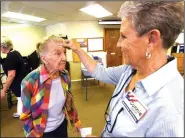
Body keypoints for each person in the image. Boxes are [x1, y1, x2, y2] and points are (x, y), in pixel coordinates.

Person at [63, 1, 184, 137]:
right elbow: (99, 71)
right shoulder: (130, 70)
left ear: (151, 39)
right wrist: (77, 49)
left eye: (123, 36)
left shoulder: (172, 108)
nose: (118, 44)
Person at [20, 35, 81, 137]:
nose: (64, 58)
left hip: (61, 126)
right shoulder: (29, 81)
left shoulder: (65, 75)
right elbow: (25, 116)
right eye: (58, 53)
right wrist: (32, 134)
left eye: (64, 53)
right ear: (44, 59)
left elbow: (69, 102)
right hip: (41, 132)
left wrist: (76, 121)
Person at [1, 37, 26, 118]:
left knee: (20, 99)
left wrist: (3, 90)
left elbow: (11, 75)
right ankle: (20, 113)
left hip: (18, 82)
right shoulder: (14, 53)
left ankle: (23, 116)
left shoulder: (11, 56)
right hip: (21, 81)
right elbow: (9, 63)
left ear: (4, 46)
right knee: (21, 99)